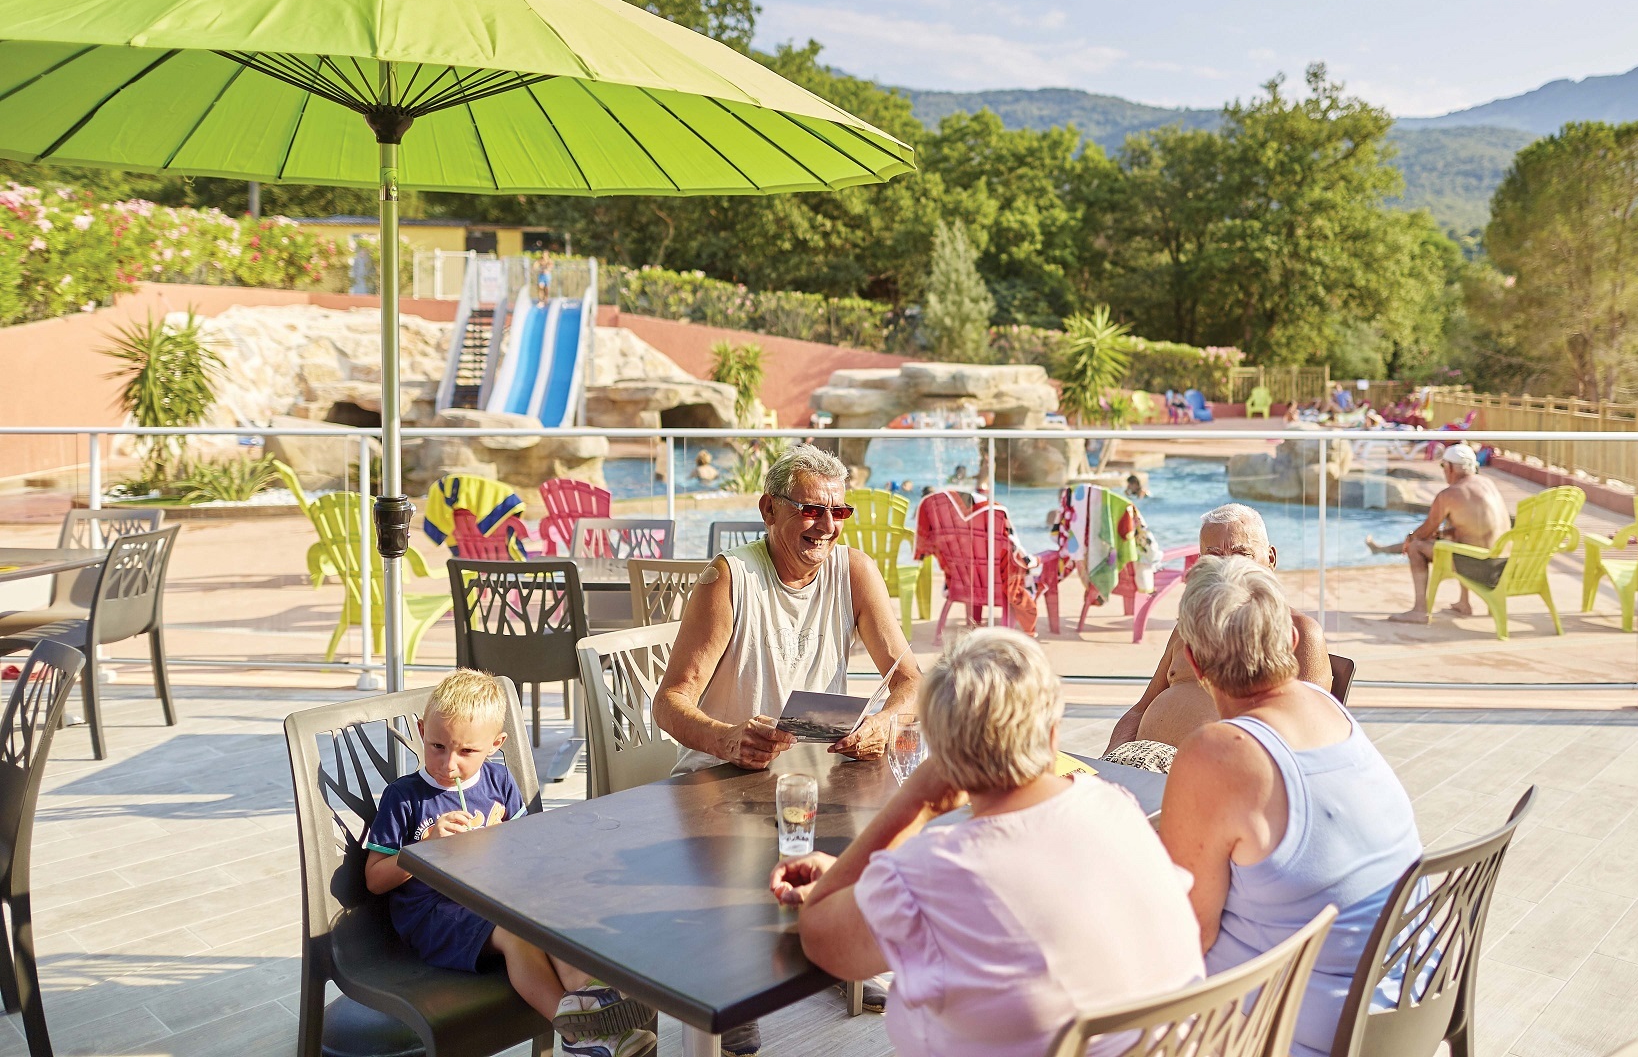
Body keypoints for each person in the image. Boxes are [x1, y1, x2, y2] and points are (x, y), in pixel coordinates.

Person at [768, 630, 1204, 1057]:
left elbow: (820, 934)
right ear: (1053, 734)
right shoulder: (1115, 807)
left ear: (943, 756)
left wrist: (916, 799)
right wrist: (875, 885)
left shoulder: (941, 868)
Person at [1158, 558, 1421, 1057]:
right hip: (1404, 1001)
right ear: (1293, 642)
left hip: (1306, 1032)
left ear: (1193, 663)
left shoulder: (1221, 753)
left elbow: (1188, 930)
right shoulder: (1329, 710)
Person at [366, 670, 654, 1057]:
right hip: (432, 915)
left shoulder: (499, 782)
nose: (448, 763)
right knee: (517, 931)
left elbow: (528, 854)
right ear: (421, 730)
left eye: (466, 751)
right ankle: (578, 1035)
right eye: (437, 746)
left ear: (495, 744)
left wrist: (498, 841)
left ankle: (593, 996)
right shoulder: (404, 798)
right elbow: (375, 880)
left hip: (495, 896)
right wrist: (426, 848)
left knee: (552, 912)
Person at [657, 445, 920, 775]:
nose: (827, 527)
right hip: (721, 776)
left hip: (816, 778)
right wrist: (725, 739)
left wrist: (884, 723)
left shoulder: (855, 573)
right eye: (811, 510)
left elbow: (911, 681)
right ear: (769, 510)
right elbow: (669, 701)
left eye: (838, 513)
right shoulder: (730, 578)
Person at [1104, 504, 1331, 772]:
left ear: (1271, 559)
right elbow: (1140, 710)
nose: (1228, 566)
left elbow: (1305, 737)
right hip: (1140, 766)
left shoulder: (1301, 633)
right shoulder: (1189, 628)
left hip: (1214, 774)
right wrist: (1108, 765)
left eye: (1241, 554)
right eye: (1213, 556)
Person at [1366, 441, 1509, 623]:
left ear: (1449, 467)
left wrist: (1410, 538)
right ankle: (1464, 602)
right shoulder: (1488, 484)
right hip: (1502, 565)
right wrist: (1444, 533)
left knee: (1416, 547)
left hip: (1479, 568)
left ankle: (1419, 610)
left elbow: (1423, 533)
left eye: (1443, 466)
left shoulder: (1450, 494)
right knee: (1455, 533)